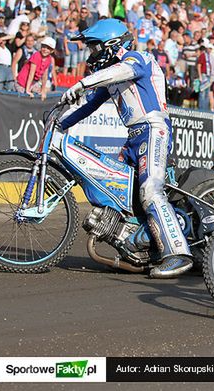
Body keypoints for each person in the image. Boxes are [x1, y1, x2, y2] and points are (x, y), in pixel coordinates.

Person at [58, 19, 193, 279]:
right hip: (134, 137)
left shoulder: (137, 59)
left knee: (150, 190)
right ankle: (143, 244)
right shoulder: (112, 76)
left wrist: (82, 83)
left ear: (111, 44)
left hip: (153, 129)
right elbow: (88, 105)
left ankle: (178, 254)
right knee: (125, 195)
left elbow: (119, 72)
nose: (91, 54)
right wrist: (59, 122)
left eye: (94, 48)